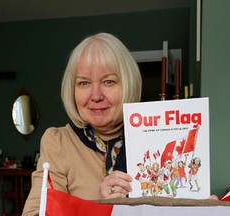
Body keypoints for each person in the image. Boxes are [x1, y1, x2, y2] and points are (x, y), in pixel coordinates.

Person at [22, 32, 142, 216]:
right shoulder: (58, 142)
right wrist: (97, 208)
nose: (96, 96)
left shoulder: (150, 138)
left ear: (128, 84)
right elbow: (34, 214)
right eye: (84, 83)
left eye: (108, 81)